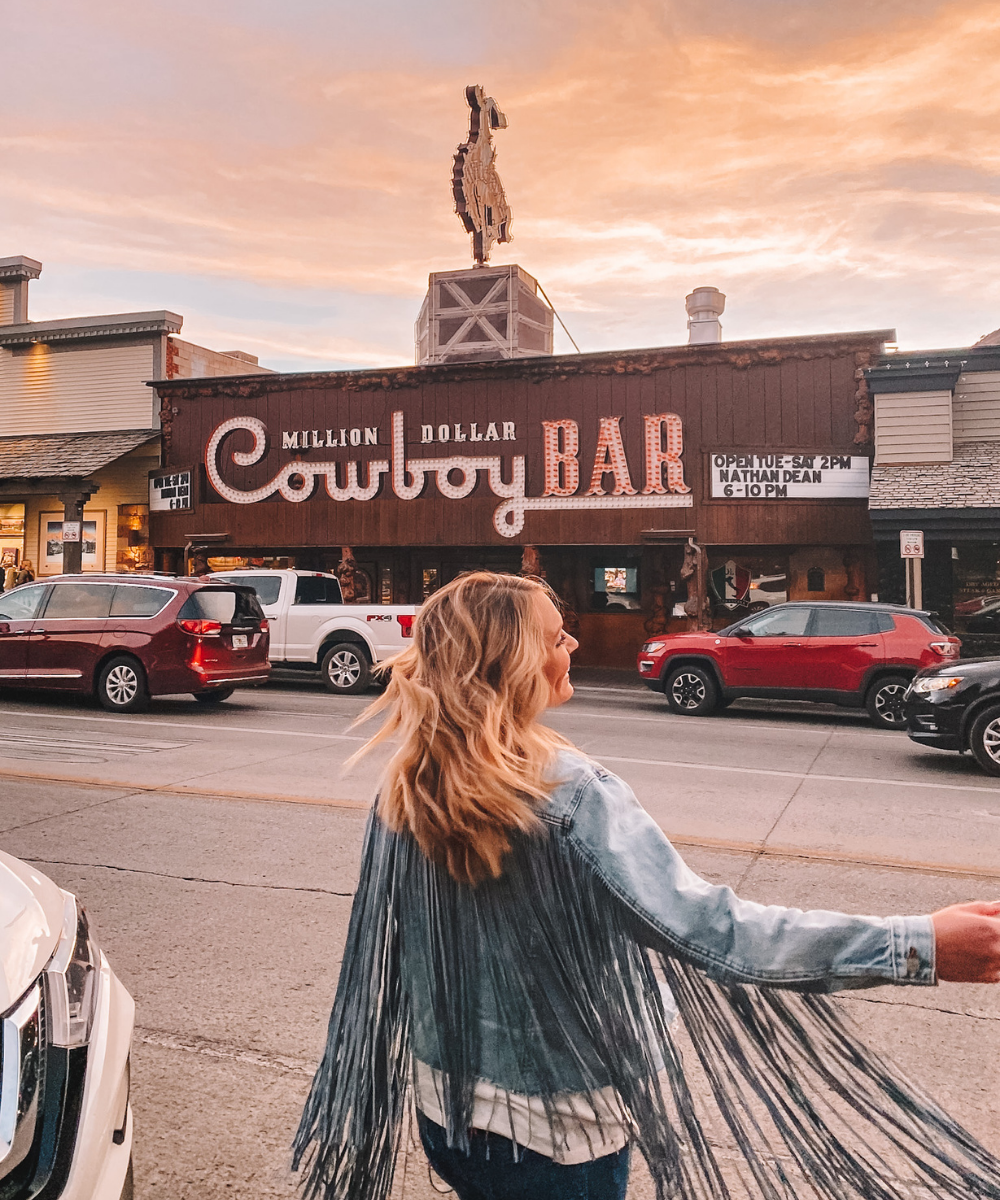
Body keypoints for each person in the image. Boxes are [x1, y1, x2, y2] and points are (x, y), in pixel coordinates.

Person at [294, 572, 1000, 1200]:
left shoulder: (407, 783)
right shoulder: (570, 793)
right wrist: (919, 945)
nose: (569, 641)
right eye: (553, 633)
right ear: (512, 659)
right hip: (558, 1139)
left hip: (446, 1114)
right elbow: (715, 931)